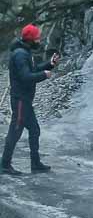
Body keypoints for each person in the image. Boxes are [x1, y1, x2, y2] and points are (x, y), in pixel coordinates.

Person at [2, 24, 59, 175]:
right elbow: (26, 77)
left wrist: (49, 65)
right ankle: (4, 165)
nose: (39, 40)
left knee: (34, 130)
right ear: (30, 40)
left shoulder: (25, 52)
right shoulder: (20, 54)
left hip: (25, 101)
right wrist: (44, 75)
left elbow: (31, 70)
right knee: (15, 131)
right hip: (20, 100)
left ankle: (35, 163)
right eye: (37, 38)